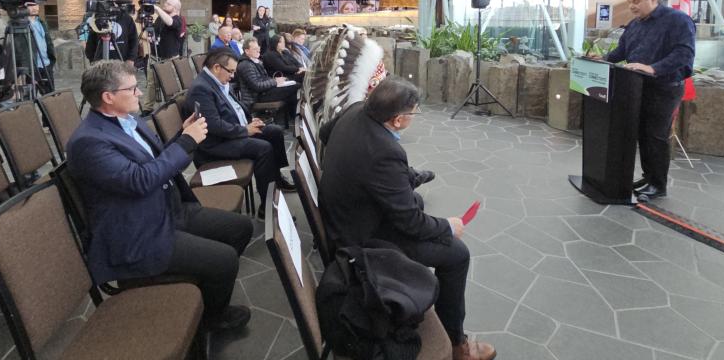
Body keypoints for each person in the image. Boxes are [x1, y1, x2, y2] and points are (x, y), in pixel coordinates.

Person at [67, 60, 252, 331]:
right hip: (140, 230)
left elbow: (154, 159)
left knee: (241, 228)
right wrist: (188, 141)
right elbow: (140, 181)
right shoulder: (88, 142)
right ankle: (213, 317)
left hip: (168, 208)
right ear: (108, 97)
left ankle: (202, 280)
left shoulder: (127, 119)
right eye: (132, 89)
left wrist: (181, 135)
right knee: (223, 260)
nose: (140, 93)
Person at [317, 77, 494, 360]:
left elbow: (326, 134)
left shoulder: (355, 109)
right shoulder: (386, 151)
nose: (415, 116)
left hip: (342, 212)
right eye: (414, 112)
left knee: (416, 199)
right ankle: (456, 344)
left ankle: (415, 286)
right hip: (359, 237)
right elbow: (410, 222)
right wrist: (448, 226)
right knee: (457, 253)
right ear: (398, 120)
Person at [600, 0, 695, 201]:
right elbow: (623, 51)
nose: (632, 6)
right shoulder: (634, 25)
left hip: (664, 87)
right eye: (630, 2)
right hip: (635, 87)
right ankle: (648, 176)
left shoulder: (677, 20)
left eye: (637, 1)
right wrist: (602, 60)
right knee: (642, 134)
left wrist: (653, 68)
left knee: (655, 135)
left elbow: (684, 53)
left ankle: (658, 185)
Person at [186, 49, 295, 213]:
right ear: (217, 67)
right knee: (263, 149)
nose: (232, 76)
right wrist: (245, 130)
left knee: (274, 132)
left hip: (232, 132)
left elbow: (233, 108)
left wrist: (250, 122)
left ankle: (277, 180)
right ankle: (267, 207)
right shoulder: (201, 89)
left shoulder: (216, 80)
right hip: (215, 145)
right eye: (230, 71)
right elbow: (214, 125)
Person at [235, 37, 299, 122]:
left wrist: (277, 80)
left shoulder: (256, 61)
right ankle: (294, 119)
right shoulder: (245, 65)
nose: (258, 50)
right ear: (247, 51)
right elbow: (257, 86)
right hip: (256, 97)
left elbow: (264, 79)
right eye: (255, 49)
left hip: (264, 92)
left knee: (294, 87)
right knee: (296, 86)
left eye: (258, 47)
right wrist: (275, 82)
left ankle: (293, 119)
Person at [23, 2, 55, 95]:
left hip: (46, 65)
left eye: (36, 4)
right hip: (31, 68)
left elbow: (48, 42)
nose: (34, 8)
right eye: (30, 5)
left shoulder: (41, 22)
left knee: (50, 98)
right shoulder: (22, 24)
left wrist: (51, 61)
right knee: (29, 99)